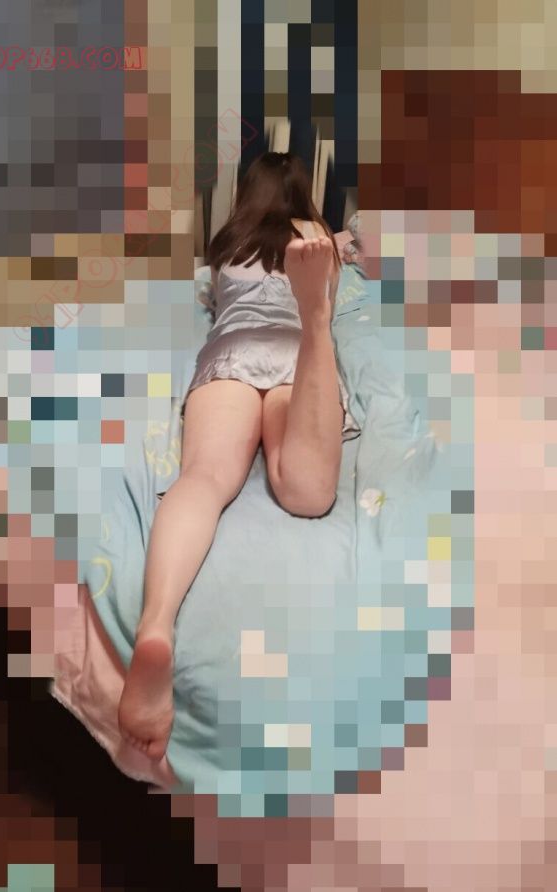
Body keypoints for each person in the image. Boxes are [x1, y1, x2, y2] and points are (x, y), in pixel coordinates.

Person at [117, 151, 360, 760]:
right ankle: (316, 323)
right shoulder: (315, 237)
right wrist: (341, 246)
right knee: (306, 493)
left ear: (248, 192)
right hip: (295, 357)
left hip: (230, 354)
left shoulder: (228, 243)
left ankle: (156, 626)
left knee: (203, 478)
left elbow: (213, 299)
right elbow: (369, 245)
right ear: (302, 190)